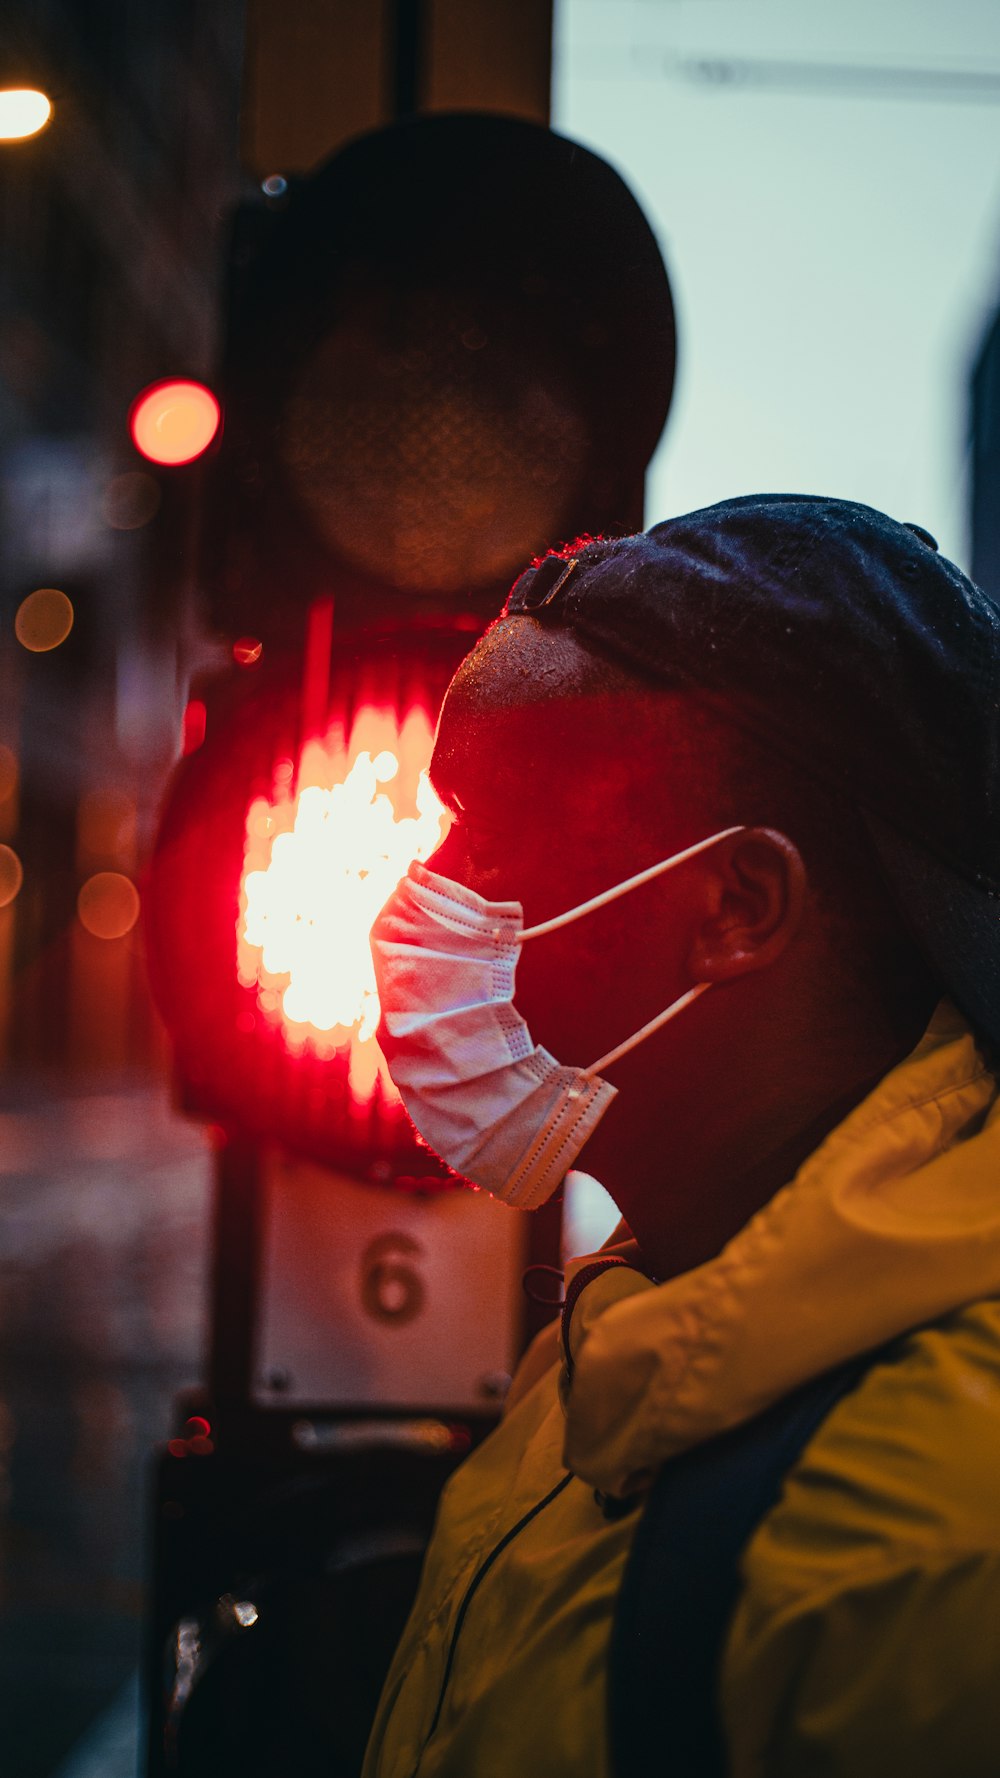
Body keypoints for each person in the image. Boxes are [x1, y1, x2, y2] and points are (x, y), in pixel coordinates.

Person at [364, 494, 1000, 1778]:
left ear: (736, 905)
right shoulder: (622, 1337)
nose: (420, 891)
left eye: (487, 826)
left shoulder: (933, 1533)